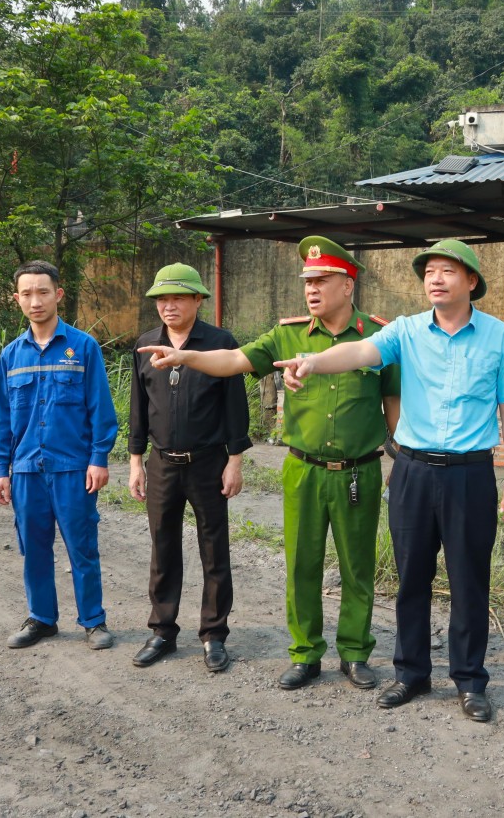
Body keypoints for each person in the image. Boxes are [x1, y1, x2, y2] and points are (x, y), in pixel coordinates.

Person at [276, 239, 504, 723]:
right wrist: (312, 360)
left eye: (447, 271)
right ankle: (411, 673)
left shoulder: (499, 337)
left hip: (471, 474)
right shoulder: (406, 331)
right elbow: (358, 350)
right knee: (411, 577)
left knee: (469, 580)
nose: (435, 279)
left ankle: (470, 681)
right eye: (429, 271)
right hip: (413, 472)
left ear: (471, 281)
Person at [140, 237, 399, 691]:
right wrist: (187, 356)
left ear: (348, 285)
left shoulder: (379, 339)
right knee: (302, 565)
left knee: (358, 567)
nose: (311, 289)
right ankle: (305, 654)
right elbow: (234, 359)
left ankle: (355, 652)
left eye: (322, 280)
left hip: (359, 470)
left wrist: (403, 461)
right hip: (302, 469)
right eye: (307, 282)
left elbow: (393, 407)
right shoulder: (287, 335)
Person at [0, 260, 119, 651]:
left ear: (58, 295)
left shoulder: (83, 347)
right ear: (16, 299)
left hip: (73, 469)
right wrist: (1, 470)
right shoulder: (11, 355)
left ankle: (93, 621)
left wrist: (99, 458)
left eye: (43, 292)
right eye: (27, 294)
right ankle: (42, 619)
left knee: (82, 547)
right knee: (34, 548)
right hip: (27, 469)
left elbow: (100, 408)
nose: (36, 301)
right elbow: (2, 417)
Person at [127, 263, 250, 672]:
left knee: (214, 549)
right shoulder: (146, 345)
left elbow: (235, 407)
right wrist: (136, 462)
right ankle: (162, 631)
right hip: (162, 463)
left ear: (198, 299)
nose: (169, 306)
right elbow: (139, 408)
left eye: (178, 297)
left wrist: (234, 461)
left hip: (208, 463)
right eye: (162, 299)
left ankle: (214, 634)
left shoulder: (220, 343)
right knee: (162, 547)